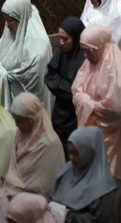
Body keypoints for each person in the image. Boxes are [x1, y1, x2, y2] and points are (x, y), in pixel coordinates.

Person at [72, 25, 121, 221]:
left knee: (113, 188)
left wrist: (86, 101)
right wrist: (87, 100)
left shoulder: (119, 71)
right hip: (92, 136)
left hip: (113, 139)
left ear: (99, 47)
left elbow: (114, 111)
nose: (85, 55)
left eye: (88, 50)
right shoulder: (91, 63)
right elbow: (76, 89)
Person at [0, 0, 54, 112]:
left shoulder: (39, 45)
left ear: (21, 19)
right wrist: (1, 72)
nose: (6, 24)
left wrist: (7, 76)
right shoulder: (10, 33)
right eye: (4, 19)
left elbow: (32, 75)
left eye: (10, 20)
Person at [5, 93, 64, 198]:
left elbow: (44, 185)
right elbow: (12, 167)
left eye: (20, 121)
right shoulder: (20, 134)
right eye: (14, 119)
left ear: (32, 119)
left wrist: (19, 193)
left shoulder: (50, 144)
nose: (16, 124)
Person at [50, 126, 117, 220]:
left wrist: (68, 216)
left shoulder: (103, 187)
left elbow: (101, 219)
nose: (71, 157)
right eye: (69, 152)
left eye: (76, 153)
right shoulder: (67, 170)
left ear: (89, 152)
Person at [44, 17, 85, 150]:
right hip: (60, 113)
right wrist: (69, 90)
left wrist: (66, 89)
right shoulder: (62, 52)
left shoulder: (86, 58)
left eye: (65, 39)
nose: (61, 43)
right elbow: (50, 76)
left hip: (77, 115)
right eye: (60, 38)